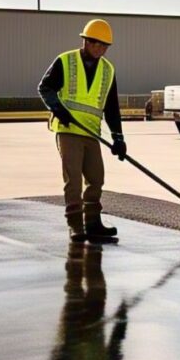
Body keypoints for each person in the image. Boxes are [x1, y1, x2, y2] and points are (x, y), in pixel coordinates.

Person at [38, 18, 128, 242]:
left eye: (104, 45)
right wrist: (58, 109)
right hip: (68, 130)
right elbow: (45, 88)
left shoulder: (108, 70)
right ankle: (76, 224)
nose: (100, 48)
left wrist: (118, 138)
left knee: (96, 178)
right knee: (74, 181)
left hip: (91, 133)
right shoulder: (66, 61)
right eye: (95, 43)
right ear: (86, 41)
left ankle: (93, 223)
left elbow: (111, 107)